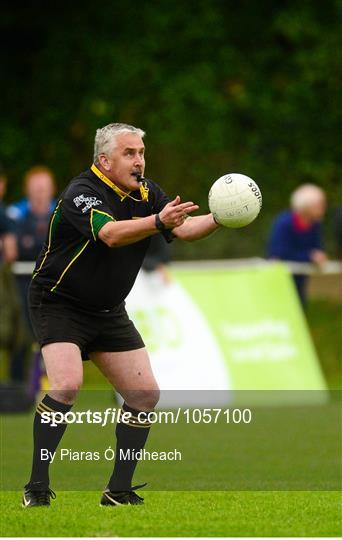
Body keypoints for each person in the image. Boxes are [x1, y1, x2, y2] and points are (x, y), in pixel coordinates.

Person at [23, 123, 220, 508]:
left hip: (107, 310)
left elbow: (186, 227)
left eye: (141, 152)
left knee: (144, 394)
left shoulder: (147, 192)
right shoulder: (82, 192)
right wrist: (159, 221)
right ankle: (37, 486)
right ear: (104, 160)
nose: (139, 160)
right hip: (58, 302)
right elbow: (111, 234)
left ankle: (118, 491)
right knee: (66, 385)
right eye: (129, 153)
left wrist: (223, 216)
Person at [10, 166, 56, 382]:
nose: (39, 193)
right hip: (21, 285)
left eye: (43, 188)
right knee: (20, 336)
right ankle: (17, 390)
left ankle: (53, 385)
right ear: (27, 190)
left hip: (54, 286)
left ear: (51, 189)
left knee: (52, 337)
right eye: (35, 188)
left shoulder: (63, 213)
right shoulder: (14, 215)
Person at [267, 184, 327, 305]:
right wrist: (310, 257)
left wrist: (318, 256)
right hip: (281, 279)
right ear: (307, 206)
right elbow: (278, 252)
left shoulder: (315, 224)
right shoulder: (284, 222)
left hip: (301, 278)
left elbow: (317, 248)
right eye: (319, 204)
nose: (323, 207)